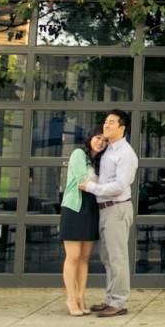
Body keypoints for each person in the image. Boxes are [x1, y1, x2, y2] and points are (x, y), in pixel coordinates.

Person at [80, 109, 138, 318]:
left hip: (117, 208)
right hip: (105, 210)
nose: (106, 125)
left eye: (112, 122)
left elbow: (121, 186)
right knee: (107, 257)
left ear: (122, 128)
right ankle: (111, 299)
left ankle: (120, 302)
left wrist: (91, 188)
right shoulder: (109, 151)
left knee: (117, 258)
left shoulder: (126, 153)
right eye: (105, 122)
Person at [59, 127, 106, 316]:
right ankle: (70, 299)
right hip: (75, 206)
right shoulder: (79, 154)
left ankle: (80, 297)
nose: (100, 142)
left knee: (85, 257)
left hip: (92, 207)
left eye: (104, 140)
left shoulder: (99, 162)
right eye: (97, 137)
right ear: (90, 138)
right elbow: (82, 182)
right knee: (74, 256)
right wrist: (105, 187)